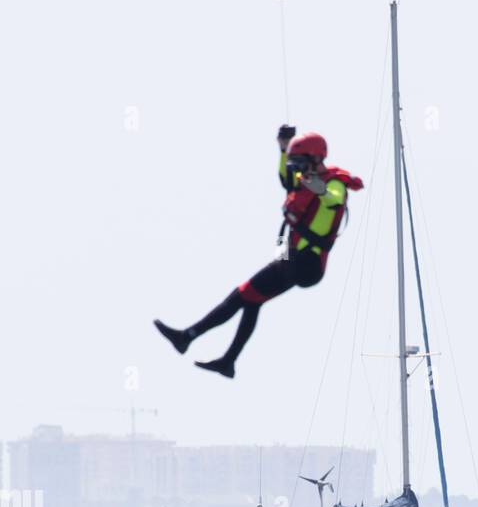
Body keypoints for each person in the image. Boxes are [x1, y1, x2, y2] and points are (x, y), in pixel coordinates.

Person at [154, 129, 363, 379]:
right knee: (252, 299)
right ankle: (226, 361)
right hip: (292, 257)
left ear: (317, 160)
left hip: (308, 263)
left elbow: (333, 200)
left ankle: (187, 337)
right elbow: (286, 180)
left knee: (241, 294)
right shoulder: (304, 179)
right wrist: (283, 149)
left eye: (301, 164)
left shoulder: (333, 182)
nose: (297, 170)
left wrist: (312, 183)